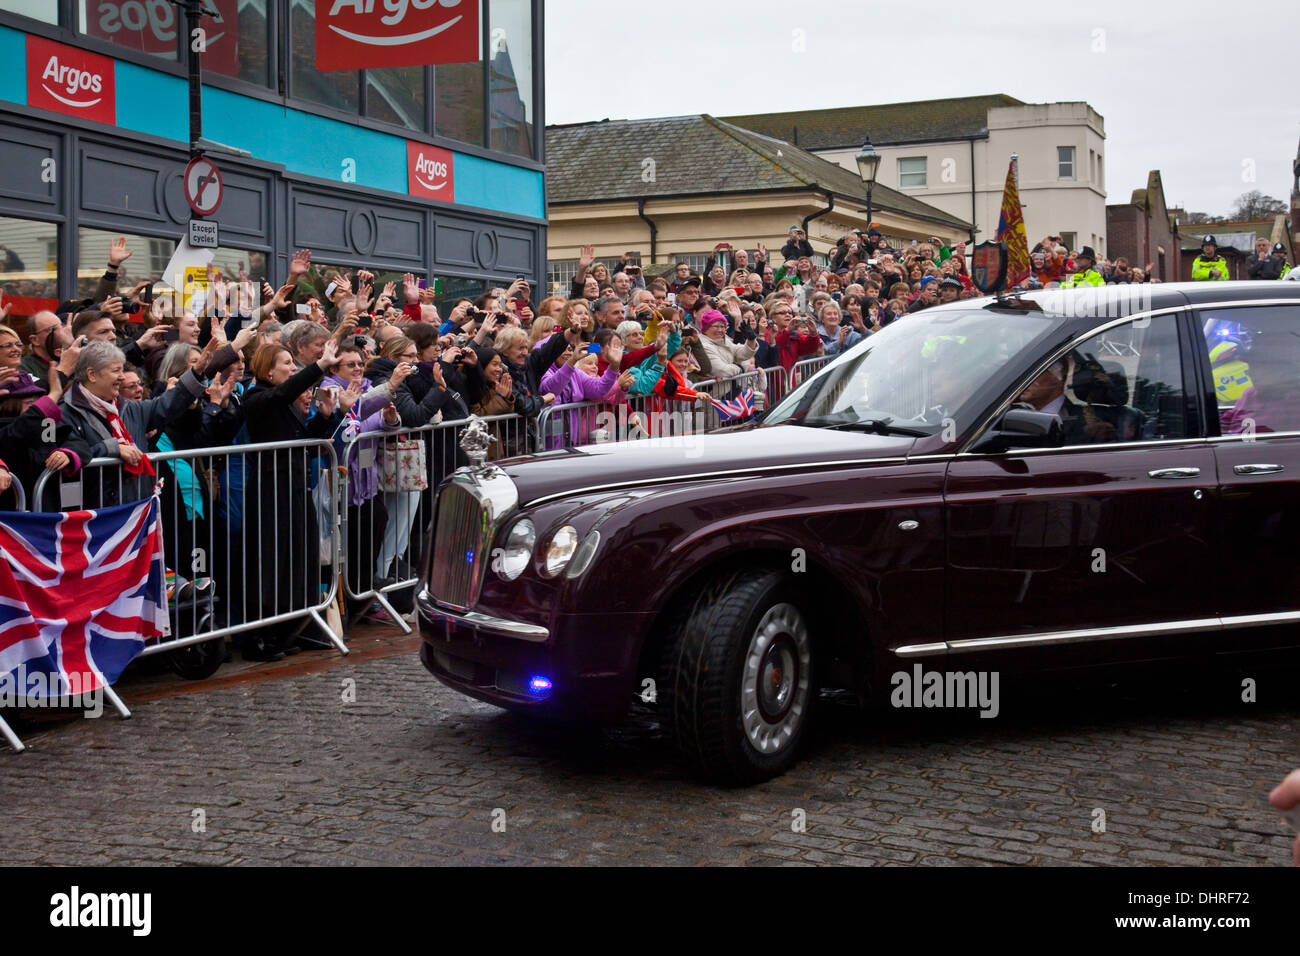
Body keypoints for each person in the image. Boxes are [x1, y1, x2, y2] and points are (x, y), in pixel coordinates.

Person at [238, 339, 346, 659]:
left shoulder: (283, 403)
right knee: (271, 562)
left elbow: (303, 444)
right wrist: (320, 366)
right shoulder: (258, 398)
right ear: (268, 370)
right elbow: (284, 393)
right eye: (286, 363)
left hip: (296, 489)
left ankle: (283, 629)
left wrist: (325, 417)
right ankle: (258, 636)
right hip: (271, 492)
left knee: (296, 559)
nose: (292, 368)